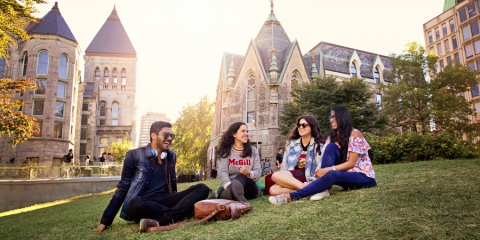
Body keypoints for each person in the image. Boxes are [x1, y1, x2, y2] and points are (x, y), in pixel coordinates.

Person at [93, 121, 210, 233]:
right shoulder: (134, 155)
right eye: (166, 135)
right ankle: (181, 213)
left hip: (164, 201)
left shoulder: (171, 156)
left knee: (202, 188)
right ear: (153, 135)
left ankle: (164, 220)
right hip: (144, 203)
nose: (169, 138)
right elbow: (123, 188)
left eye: (171, 135)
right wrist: (105, 221)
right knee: (135, 203)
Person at [269, 105, 377, 205]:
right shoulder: (332, 137)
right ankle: (321, 188)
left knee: (332, 173)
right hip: (343, 176)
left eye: (335, 117)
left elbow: (351, 163)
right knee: (331, 148)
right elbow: (326, 158)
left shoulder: (354, 133)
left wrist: (328, 170)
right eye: (331, 117)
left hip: (363, 177)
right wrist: (324, 172)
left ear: (343, 117)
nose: (332, 120)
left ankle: (289, 197)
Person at [269, 115, 324, 196]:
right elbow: (285, 164)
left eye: (304, 125)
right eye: (299, 125)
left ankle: (308, 187)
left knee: (275, 176)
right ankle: (308, 189)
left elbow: (320, 167)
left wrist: (314, 180)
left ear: (312, 127)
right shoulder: (291, 144)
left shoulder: (318, 145)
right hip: (293, 176)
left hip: (309, 177)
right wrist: (282, 179)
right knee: (273, 190)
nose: (301, 127)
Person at [216, 122, 262, 203]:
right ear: (234, 134)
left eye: (247, 131)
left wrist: (248, 173)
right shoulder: (225, 151)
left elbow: (258, 172)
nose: (246, 134)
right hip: (230, 183)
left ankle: (229, 194)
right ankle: (232, 193)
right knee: (225, 190)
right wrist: (229, 185)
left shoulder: (253, 151)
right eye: (243, 131)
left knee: (241, 176)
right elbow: (223, 172)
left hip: (249, 187)